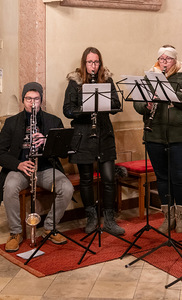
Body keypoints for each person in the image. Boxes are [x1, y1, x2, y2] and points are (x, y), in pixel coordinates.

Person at [0, 82, 74, 252]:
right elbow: (0, 152)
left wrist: (48, 142)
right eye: (28, 99)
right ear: (23, 100)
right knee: (9, 186)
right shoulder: (11, 123)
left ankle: (49, 227)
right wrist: (18, 164)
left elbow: (64, 153)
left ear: (41, 100)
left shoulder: (53, 121)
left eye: (36, 99)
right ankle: (15, 232)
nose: (32, 103)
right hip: (21, 169)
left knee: (66, 188)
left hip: (45, 168)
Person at [133, 45, 182, 233]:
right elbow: (137, 105)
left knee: (179, 177)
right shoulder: (149, 78)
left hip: (181, 135)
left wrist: (168, 93)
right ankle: (167, 217)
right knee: (162, 178)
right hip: (155, 134)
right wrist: (146, 104)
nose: (164, 63)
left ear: (175, 61)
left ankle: (181, 218)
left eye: (168, 59)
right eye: (161, 59)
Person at [63, 46, 125, 236]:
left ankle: (109, 219)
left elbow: (116, 105)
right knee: (87, 180)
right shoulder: (75, 83)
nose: (93, 66)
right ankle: (91, 218)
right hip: (83, 136)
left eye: (96, 62)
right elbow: (67, 110)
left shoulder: (107, 80)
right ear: (84, 63)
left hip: (104, 135)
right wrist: (86, 108)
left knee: (108, 179)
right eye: (90, 62)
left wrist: (102, 104)